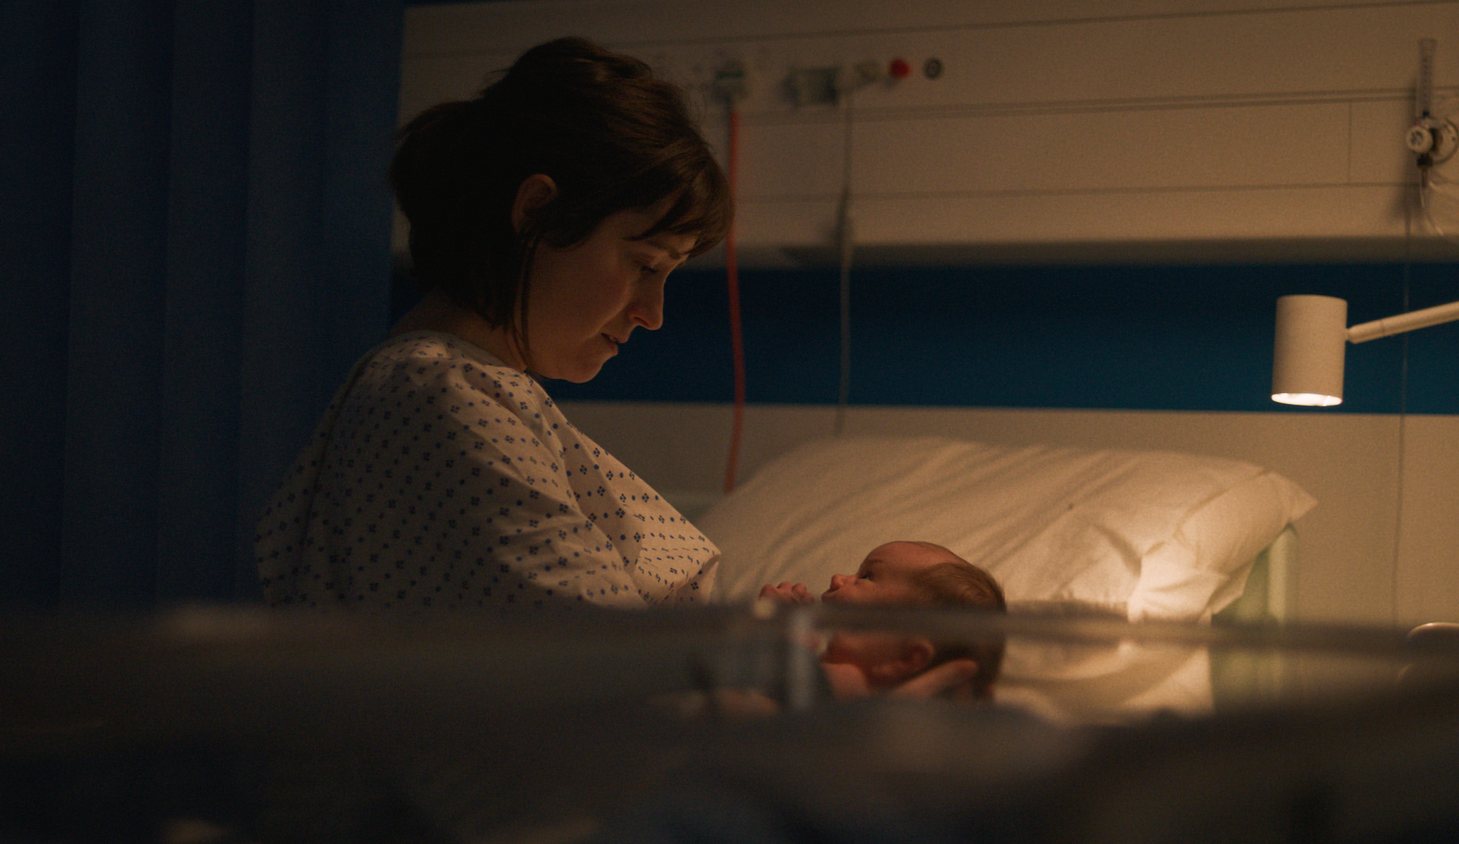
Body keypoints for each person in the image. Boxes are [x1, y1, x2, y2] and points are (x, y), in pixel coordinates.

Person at [254, 37, 732, 613]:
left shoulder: (461, 391)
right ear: (535, 212)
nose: (652, 315)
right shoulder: (437, 397)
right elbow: (613, 666)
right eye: (646, 264)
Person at [759, 541, 1007, 699]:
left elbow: (775, 681)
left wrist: (778, 627)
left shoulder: (851, 681)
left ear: (910, 658)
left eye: (866, 576)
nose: (838, 578)